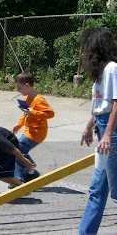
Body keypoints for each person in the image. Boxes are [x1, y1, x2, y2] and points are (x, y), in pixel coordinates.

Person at [77, 27, 117, 235]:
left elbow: (116, 104)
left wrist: (108, 135)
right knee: (97, 190)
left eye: (87, 48)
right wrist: (88, 126)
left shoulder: (112, 69)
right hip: (103, 128)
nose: (84, 53)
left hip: (112, 133)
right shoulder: (99, 73)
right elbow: (99, 104)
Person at [12, 72, 55, 184]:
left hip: (37, 132)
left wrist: (34, 112)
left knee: (17, 151)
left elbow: (50, 113)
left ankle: (27, 172)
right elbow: (25, 114)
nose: (18, 90)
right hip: (28, 131)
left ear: (27, 85)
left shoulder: (39, 100)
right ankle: (27, 174)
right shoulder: (26, 98)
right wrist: (19, 124)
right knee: (18, 152)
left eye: (19, 88)